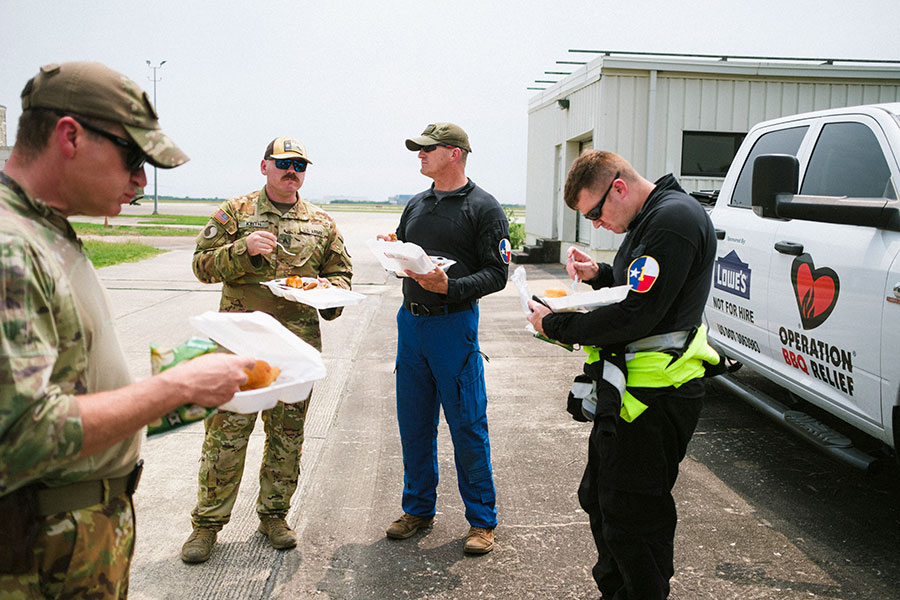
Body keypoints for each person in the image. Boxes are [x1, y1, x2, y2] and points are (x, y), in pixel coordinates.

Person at [0, 62, 255, 599]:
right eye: (133, 158)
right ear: (70, 136)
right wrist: (173, 388)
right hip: (38, 559)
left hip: (74, 544)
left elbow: (64, 386)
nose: (140, 181)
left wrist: (176, 392)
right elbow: (18, 436)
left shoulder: (45, 231)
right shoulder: (10, 247)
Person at [526, 150, 719, 599]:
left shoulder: (672, 221)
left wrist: (556, 325)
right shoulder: (651, 219)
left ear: (618, 188)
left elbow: (639, 313)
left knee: (634, 515)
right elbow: (640, 287)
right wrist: (600, 274)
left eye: (595, 213)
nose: (596, 225)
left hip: (655, 397)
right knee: (601, 499)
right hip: (633, 393)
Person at [182, 136, 353, 563]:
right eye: (283, 163)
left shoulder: (322, 223)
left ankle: (274, 517)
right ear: (265, 167)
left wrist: (326, 290)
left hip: (294, 350)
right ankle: (206, 525)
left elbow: (342, 277)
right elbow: (201, 265)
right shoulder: (236, 212)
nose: (292, 171)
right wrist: (242, 250)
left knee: (286, 437)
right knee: (225, 438)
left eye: (300, 165)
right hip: (240, 349)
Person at [379, 122, 510, 554]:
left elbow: (497, 274)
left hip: (453, 327)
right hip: (411, 325)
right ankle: (418, 509)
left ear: (454, 153)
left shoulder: (484, 207)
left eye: (427, 148)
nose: (420, 154)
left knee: (467, 425)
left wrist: (450, 287)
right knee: (414, 423)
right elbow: (408, 252)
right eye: (418, 149)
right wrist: (392, 247)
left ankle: (482, 521)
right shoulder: (417, 203)